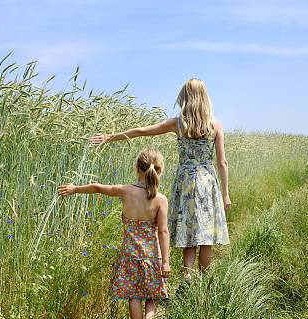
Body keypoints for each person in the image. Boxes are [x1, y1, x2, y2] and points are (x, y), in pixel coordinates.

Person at [90, 78, 230, 287]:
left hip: (185, 184)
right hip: (207, 182)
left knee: (188, 235)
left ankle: (187, 280)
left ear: (186, 97)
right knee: (205, 236)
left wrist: (110, 137)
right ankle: (205, 287)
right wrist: (226, 193)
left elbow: (141, 131)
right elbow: (222, 162)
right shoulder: (215, 125)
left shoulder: (178, 123)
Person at [58, 149, 170, 319]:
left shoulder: (125, 191)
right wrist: (166, 261)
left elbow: (98, 187)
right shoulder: (160, 200)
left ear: (136, 168)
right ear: (159, 172)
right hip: (152, 255)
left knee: (133, 296)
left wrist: (75, 188)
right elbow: (163, 231)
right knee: (153, 294)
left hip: (129, 255)